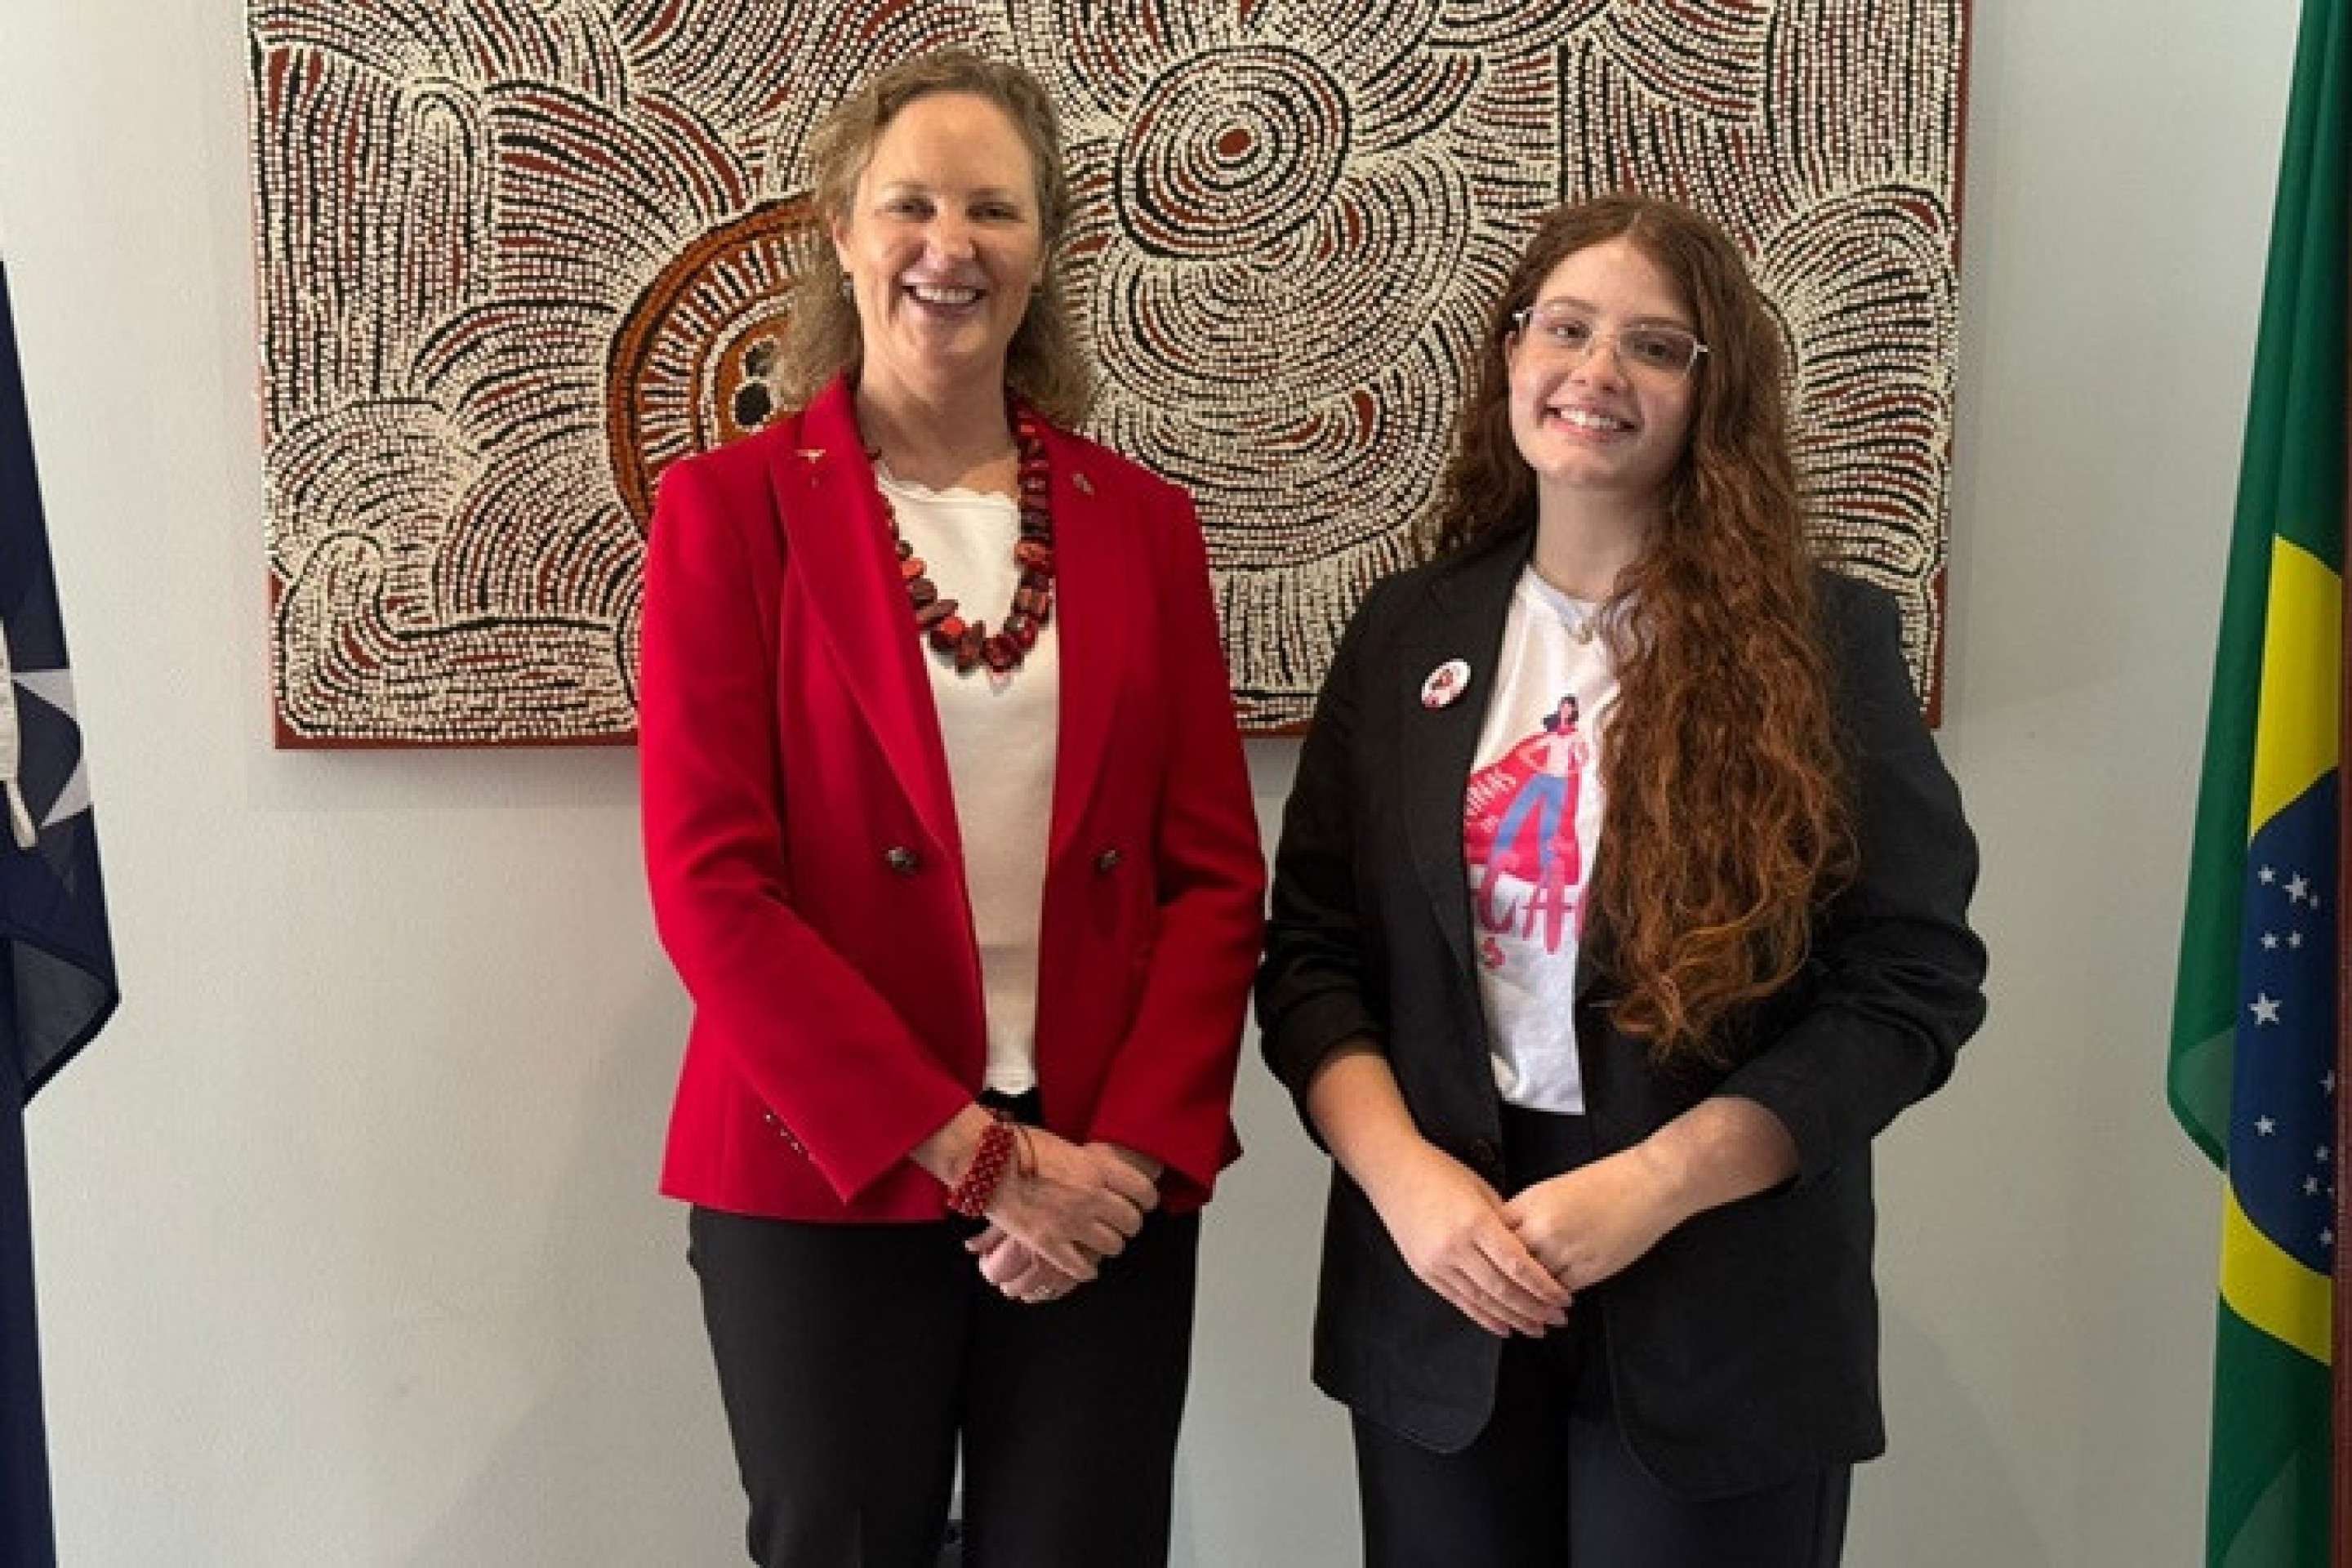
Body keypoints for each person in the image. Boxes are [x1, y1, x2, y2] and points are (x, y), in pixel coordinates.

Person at [1255, 194, 1986, 1567]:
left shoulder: (1828, 643)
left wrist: (1655, 1183)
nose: (1596, 373)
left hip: (1718, 1291)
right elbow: (1313, 964)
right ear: (1511, 353)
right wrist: (1407, 1184)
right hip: (1440, 1285)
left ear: (1714, 396)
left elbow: (1914, 982)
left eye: (1655, 347)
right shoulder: (1404, 633)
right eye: (1567, 329)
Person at [636, 48, 1263, 1568]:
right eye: (909, 201)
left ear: (1044, 249)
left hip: (1101, 1178)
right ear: (844, 230)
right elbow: (713, 889)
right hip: (825, 1170)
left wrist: (1126, 1156)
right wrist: (972, 1155)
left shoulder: (1146, 525)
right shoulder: (730, 514)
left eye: (995, 208)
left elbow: (1212, 877)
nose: (949, 244)